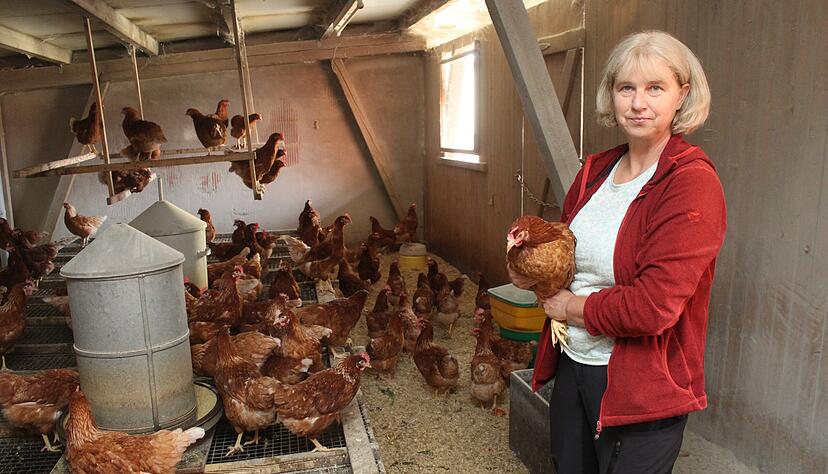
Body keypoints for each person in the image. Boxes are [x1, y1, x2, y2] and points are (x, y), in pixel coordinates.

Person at [515, 31, 726, 473]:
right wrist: (529, 268)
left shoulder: (689, 184)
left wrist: (569, 305)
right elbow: (564, 255)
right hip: (575, 362)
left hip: (641, 383)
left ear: (681, 96)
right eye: (626, 87)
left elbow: (653, 307)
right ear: (611, 95)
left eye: (655, 88)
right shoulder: (595, 171)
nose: (638, 103)